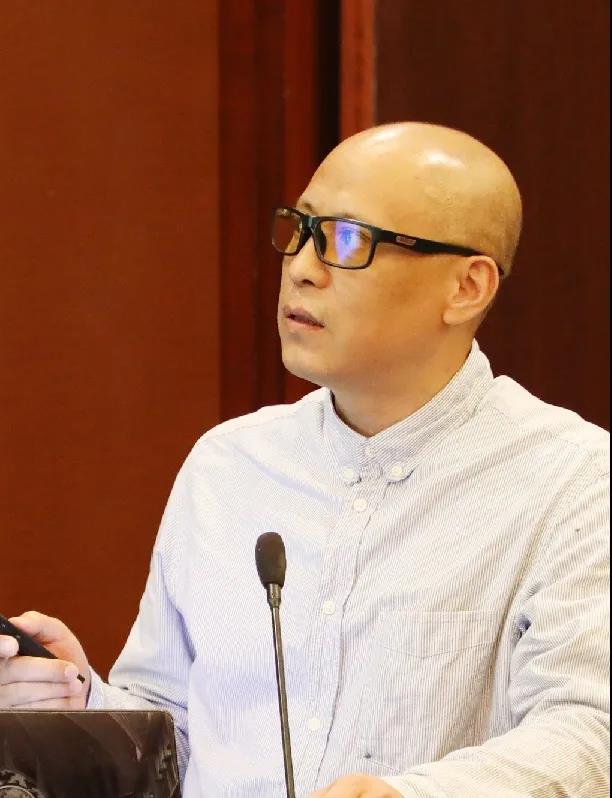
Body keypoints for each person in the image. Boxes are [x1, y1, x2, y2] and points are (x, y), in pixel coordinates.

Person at [0, 123, 609, 798]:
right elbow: (175, 733)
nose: (301, 267)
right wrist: (83, 701)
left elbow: (590, 733)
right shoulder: (228, 464)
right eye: (301, 229)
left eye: (348, 241)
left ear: (467, 286)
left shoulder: (574, 479)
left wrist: (407, 795)